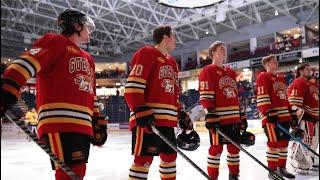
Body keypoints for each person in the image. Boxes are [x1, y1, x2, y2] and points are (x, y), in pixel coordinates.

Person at [0, 8, 107, 180]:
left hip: (82, 124)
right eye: (86, 26)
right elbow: (29, 60)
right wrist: (10, 84)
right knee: (68, 173)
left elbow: (90, 93)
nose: (89, 30)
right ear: (76, 26)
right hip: (59, 121)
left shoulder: (89, 59)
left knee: (78, 172)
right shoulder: (56, 41)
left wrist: (96, 119)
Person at [124, 25, 179, 180]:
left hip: (167, 122)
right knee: (143, 160)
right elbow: (132, 87)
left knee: (170, 159)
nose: (175, 41)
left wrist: (179, 113)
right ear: (166, 37)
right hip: (148, 120)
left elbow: (173, 93)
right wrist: (140, 110)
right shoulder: (147, 53)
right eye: (173, 37)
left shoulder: (173, 63)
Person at [198, 41, 247, 180]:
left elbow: (235, 96)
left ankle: (234, 176)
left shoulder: (231, 72)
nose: (224, 51)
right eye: (221, 49)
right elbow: (205, 96)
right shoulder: (208, 70)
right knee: (216, 150)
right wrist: (210, 114)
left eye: (225, 49)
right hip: (219, 119)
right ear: (213, 52)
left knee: (234, 149)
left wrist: (241, 114)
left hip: (234, 118)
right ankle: (213, 177)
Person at [256, 54, 297, 179]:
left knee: (284, 144)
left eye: (276, 62)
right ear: (267, 63)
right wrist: (268, 112)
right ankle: (272, 171)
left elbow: (285, 97)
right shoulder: (263, 76)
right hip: (271, 118)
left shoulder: (281, 78)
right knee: (273, 144)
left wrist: (292, 113)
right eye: (274, 62)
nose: (277, 64)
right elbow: (262, 96)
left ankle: (282, 168)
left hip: (284, 117)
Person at [287, 63, 319, 173]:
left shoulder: (312, 84)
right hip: (305, 118)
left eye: (310, 69)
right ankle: (297, 160)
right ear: (300, 71)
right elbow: (294, 104)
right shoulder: (299, 82)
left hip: (314, 117)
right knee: (303, 140)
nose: (310, 71)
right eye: (307, 69)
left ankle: (309, 159)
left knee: (313, 142)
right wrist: (295, 122)